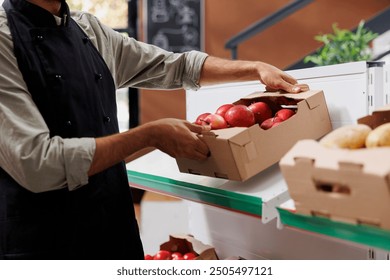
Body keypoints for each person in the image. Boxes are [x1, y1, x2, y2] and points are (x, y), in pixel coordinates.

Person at [0, 0, 308, 260]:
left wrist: (253, 69)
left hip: (113, 231)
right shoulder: (3, 40)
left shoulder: (88, 31)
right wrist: (150, 135)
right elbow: (37, 162)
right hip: (42, 244)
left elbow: (174, 66)